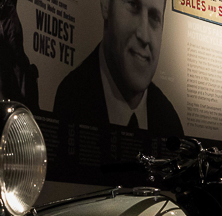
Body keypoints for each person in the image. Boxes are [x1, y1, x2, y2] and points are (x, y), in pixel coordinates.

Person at [54, 0, 183, 136]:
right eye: (134, 6)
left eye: (154, 17)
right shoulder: (70, 100)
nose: (144, 37)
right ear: (106, 5)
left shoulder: (170, 123)